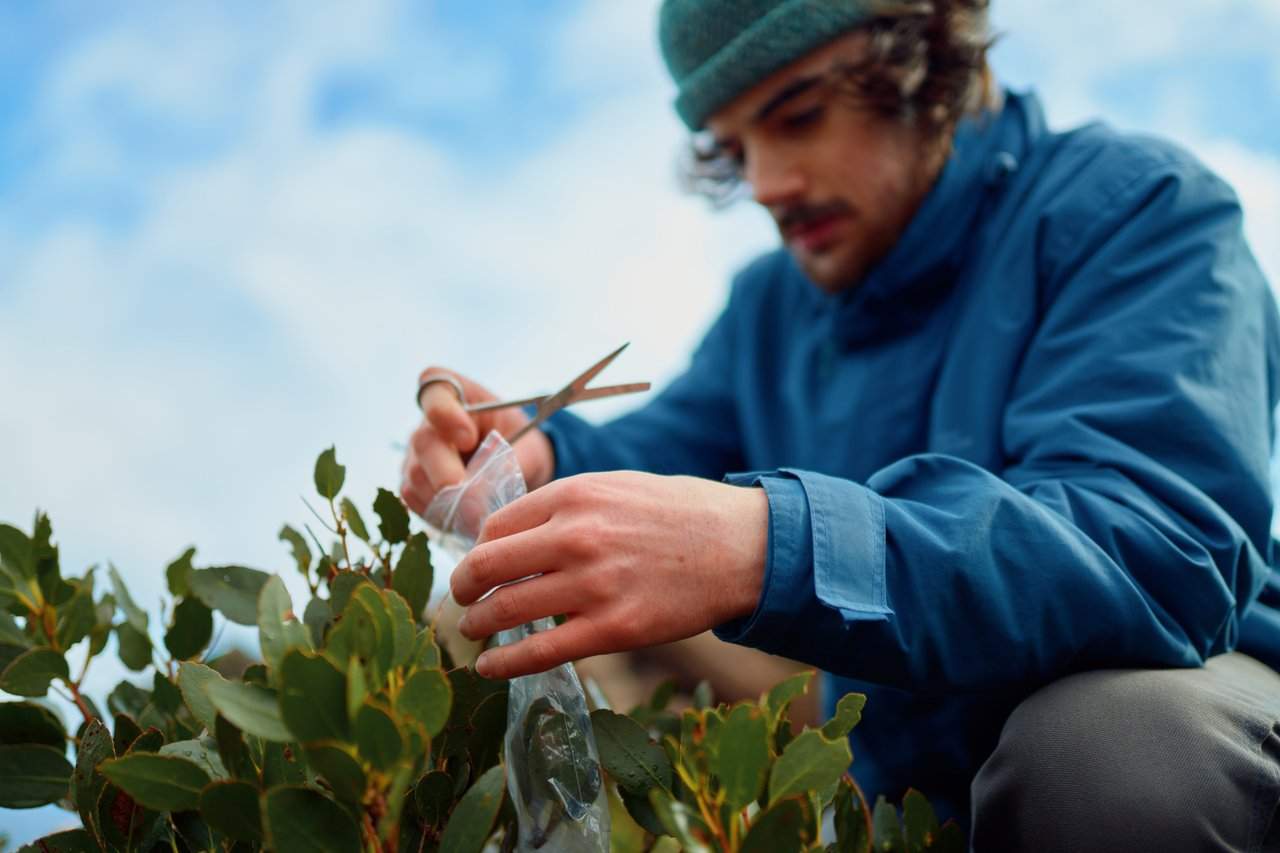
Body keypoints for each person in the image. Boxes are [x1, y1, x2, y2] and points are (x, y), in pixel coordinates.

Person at [401, 0, 1280, 847]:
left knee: (1115, 750)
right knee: (454, 623)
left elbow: (1165, 551)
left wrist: (764, 545)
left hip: (1196, 687)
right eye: (735, 148)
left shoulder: (1139, 211)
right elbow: (655, 454)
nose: (766, 185)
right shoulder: (771, 310)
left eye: (801, 115)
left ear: (929, 52)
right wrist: (530, 460)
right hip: (901, 791)